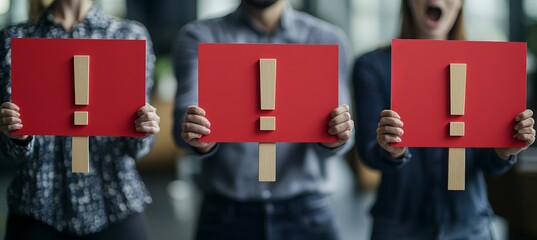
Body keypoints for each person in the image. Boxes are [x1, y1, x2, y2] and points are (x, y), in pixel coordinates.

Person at [353, 0, 535, 239]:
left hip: (469, 223)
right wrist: (391, 150)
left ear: (460, 3)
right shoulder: (372, 66)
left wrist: (504, 151)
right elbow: (368, 153)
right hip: (399, 224)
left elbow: (486, 162)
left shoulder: (484, 67)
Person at [172, 0, 354, 239]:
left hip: (307, 212)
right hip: (226, 213)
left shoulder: (326, 38)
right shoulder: (200, 36)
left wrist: (335, 137)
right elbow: (181, 124)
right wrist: (197, 135)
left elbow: (345, 135)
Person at [0, 0, 159, 239]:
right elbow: (10, 151)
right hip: (36, 206)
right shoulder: (15, 39)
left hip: (114, 202)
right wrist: (18, 138)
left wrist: (144, 129)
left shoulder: (129, 36)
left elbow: (137, 149)